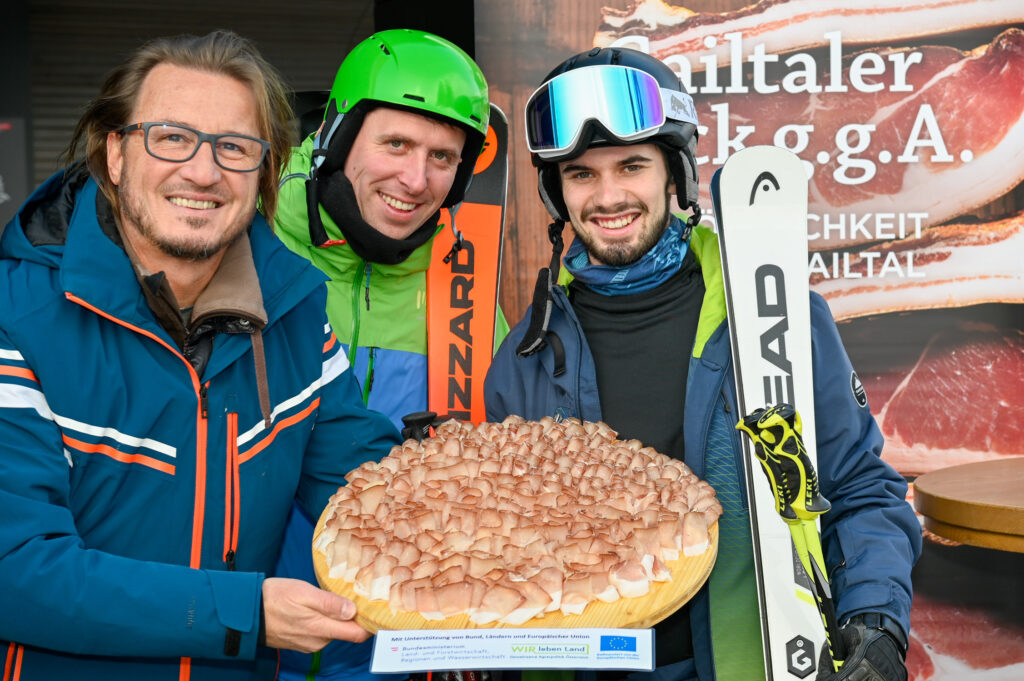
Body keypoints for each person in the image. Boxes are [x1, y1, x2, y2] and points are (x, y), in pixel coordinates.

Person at [484, 47, 922, 681]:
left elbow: (860, 488)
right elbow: (501, 545)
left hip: (752, 662)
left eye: (631, 166)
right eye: (581, 174)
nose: (607, 198)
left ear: (674, 175)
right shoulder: (525, 356)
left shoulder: (772, 314)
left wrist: (876, 616)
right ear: (557, 191)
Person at [0, 30, 402, 681]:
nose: (203, 170)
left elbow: (374, 497)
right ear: (117, 154)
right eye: (171, 137)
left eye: (235, 147)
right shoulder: (16, 318)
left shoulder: (295, 317)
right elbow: (14, 570)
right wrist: (245, 611)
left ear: (264, 172)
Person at [271, 29, 508, 681]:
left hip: (393, 657)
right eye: (396, 144)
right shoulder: (243, 243)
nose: (415, 178)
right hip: (239, 641)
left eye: (442, 156)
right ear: (340, 137)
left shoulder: (469, 289)